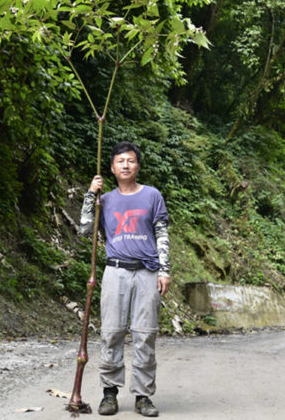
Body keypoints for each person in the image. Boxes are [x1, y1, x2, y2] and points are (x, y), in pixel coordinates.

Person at [79, 141, 170, 417]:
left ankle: (143, 396)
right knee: (112, 333)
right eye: (120, 161)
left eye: (130, 161)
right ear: (112, 168)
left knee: (145, 335)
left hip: (147, 272)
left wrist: (164, 270)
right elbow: (85, 230)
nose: (126, 165)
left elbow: (162, 233)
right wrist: (89, 195)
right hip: (115, 271)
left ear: (138, 166)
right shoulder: (103, 200)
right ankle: (109, 394)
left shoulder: (153, 195)